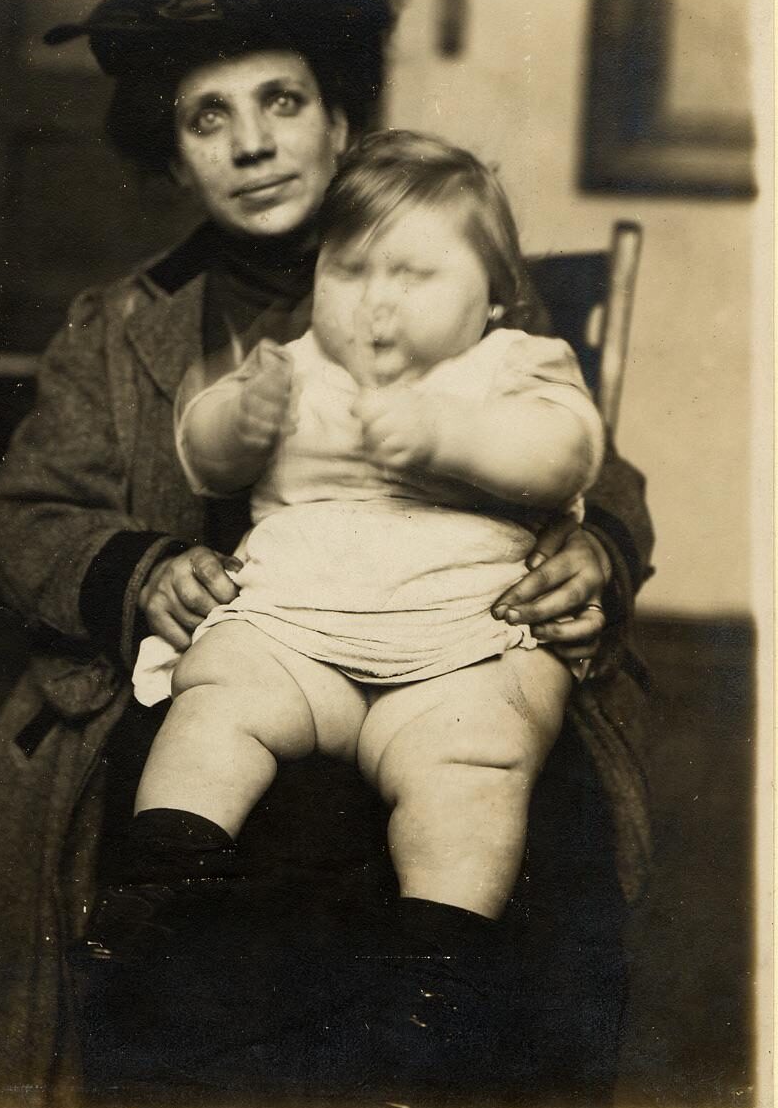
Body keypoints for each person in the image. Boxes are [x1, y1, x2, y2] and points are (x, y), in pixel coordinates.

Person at [0, 0, 654, 1108]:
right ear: (172, 152)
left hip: (452, 658)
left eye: (281, 100)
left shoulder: (431, 275)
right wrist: (141, 564)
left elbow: (580, 447)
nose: (251, 143)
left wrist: (598, 547)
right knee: (185, 895)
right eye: (208, 117)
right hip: (227, 675)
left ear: (340, 118)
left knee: (520, 865)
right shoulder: (124, 327)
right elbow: (25, 516)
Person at [96, 131, 606, 972]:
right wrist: (238, 422)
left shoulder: (512, 364)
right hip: (296, 635)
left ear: (494, 298)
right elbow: (201, 450)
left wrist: (451, 437)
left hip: (458, 651)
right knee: (216, 697)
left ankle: (437, 962)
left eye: (412, 275)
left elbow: (566, 452)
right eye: (350, 269)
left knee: (477, 763)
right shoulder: (293, 367)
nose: (375, 301)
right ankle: (165, 880)